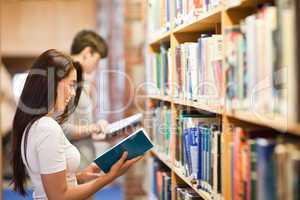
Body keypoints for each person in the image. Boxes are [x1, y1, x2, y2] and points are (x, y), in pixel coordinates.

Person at [11, 49, 142, 199]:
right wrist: (109, 177)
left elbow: (50, 182)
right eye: (71, 84)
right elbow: (59, 196)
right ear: (52, 83)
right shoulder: (47, 128)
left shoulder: (37, 124)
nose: (73, 93)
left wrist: (80, 176)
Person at [62, 30, 110, 169]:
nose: (97, 64)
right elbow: (61, 129)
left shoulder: (81, 81)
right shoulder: (66, 79)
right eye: (98, 59)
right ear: (88, 52)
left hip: (84, 160)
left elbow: (78, 123)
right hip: (73, 165)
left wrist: (98, 130)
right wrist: (94, 128)